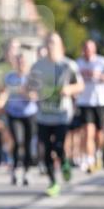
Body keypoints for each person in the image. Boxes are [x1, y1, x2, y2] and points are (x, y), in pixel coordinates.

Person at [29, 32, 84, 196]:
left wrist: (70, 89)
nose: (51, 46)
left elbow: (80, 85)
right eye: (48, 43)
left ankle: (65, 162)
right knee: (45, 150)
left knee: (59, 147)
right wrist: (31, 93)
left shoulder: (69, 65)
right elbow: (29, 86)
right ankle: (53, 182)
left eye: (54, 43)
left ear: (60, 46)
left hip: (62, 114)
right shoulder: (38, 66)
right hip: (43, 115)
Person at [0, 52, 38, 186]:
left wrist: (24, 92)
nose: (21, 64)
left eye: (23, 62)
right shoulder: (9, 77)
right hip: (13, 113)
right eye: (18, 62)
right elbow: (4, 93)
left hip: (29, 114)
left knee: (28, 142)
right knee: (17, 141)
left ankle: (27, 170)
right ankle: (15, 167)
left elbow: (35, 96)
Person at [75, 39, 104, 172]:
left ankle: (98, 152)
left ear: (94, 49)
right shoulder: (78, 63)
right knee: (88, 132)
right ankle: (90, 159)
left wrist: (100, 76)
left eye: (90, 48)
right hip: (84, 102)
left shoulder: (102, 61)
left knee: (100, 135)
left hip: (100, 102)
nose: (87, 51)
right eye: (85, 48)